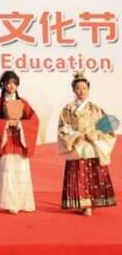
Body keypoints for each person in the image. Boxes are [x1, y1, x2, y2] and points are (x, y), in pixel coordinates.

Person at [57, 71, 117, 216]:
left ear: (88, 90)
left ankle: (93, 201)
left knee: (93, 173)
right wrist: (76, 135)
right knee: (78, 173)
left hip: (92, 145)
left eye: (84, 88)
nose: (81, 91)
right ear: (73, 90)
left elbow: (106, 128)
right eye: (78, 88)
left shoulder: (96, 108)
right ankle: (84, 204)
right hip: (77, 145)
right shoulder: (67, 109)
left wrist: (93, 135)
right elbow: (63, 128)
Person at [0, 70, 39, 214]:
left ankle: (22, 203)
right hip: (6, 142)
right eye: (8, 83)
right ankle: (10, 204)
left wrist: (20, 124)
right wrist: (6, 124)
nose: (11, 86)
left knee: (21, 173)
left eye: (14, 83)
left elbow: (34, 121)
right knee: (8, 174)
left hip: (20, 142)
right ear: (3, 84)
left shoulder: (23, 103)